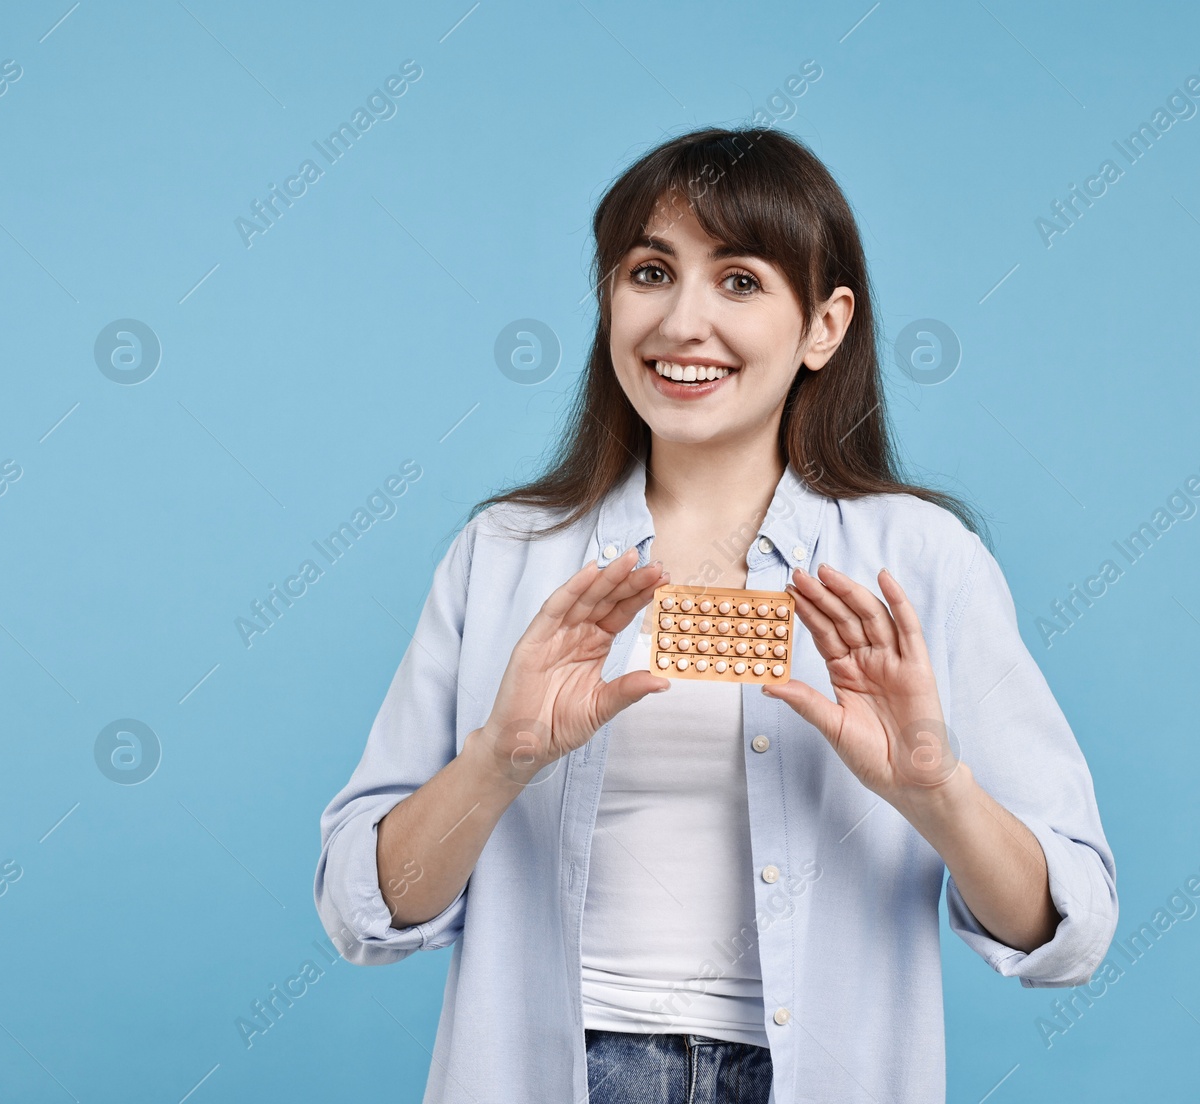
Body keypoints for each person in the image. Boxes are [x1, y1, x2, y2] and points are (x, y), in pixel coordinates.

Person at [314, 126, 1117, 1103]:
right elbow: (366, 913)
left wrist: (934, 791)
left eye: (739, 281)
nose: (681, 322)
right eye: (650, 272)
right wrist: (498, 760)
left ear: (824, 326)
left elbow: (1066, 934)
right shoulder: (506, 554)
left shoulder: (920, 562)